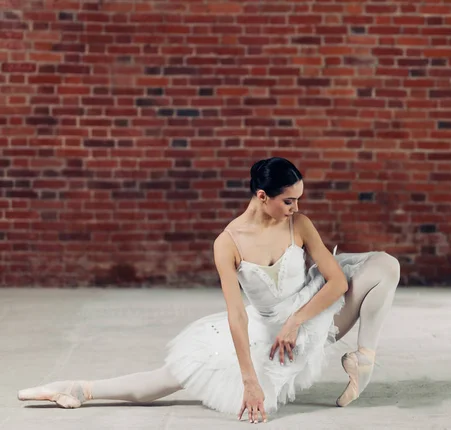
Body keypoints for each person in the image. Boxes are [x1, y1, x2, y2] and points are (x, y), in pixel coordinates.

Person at [18, 157, 401, 423]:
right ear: (262, 196)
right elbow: (236, 313)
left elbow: (335, 281)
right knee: (170, 378)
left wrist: (297, 321)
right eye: (289, 200)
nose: (296, 206)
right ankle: (78, 388)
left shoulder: (299, 224)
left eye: (299, 198)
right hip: (263, 329)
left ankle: (362, 358)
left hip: (311, 311)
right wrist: (250, 380)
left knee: (385, 265)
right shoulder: (227, 242)